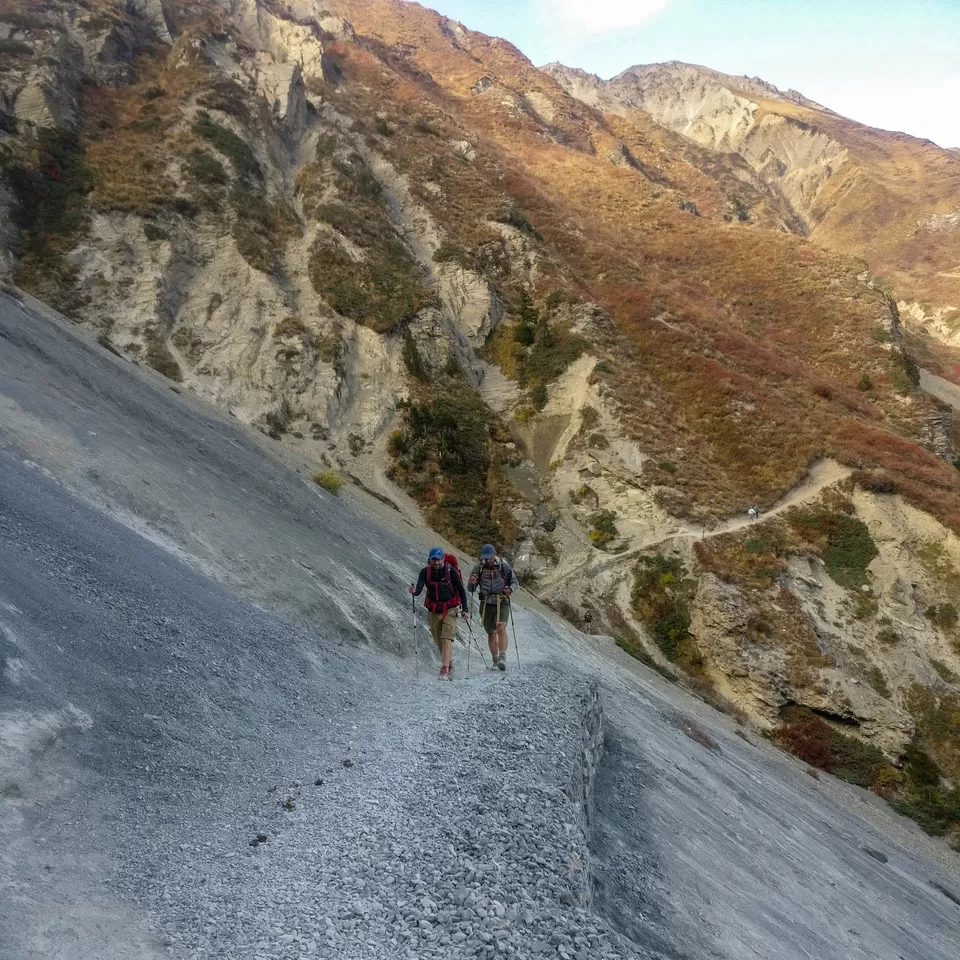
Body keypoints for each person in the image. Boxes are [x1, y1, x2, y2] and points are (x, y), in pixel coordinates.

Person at [409, 547, 468, 680]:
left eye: (438, 560)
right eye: (433, 560)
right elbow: (418, 590)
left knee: (446, 639)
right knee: (438, 640)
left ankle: (444, 669)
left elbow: (461, 591)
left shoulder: (451, 572)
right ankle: (449, 662)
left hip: (450, 609)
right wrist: (413, 591)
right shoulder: (425, 572)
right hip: (433, 610)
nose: (436, 562)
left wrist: (465, 609)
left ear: (443, 559)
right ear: (430, 560)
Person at [467, 544, 517, 672]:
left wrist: (510, 589)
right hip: (486, 603)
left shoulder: (504, 566)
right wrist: (472, 583)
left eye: (489, 557)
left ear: (494, 554)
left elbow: (514, 582)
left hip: (502, 601)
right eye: (485, 557)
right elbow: (471, 589)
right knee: (491, 633)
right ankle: (495, 660)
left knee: (501, 626)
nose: (488, 560)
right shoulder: (478, 568)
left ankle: (502, 657)